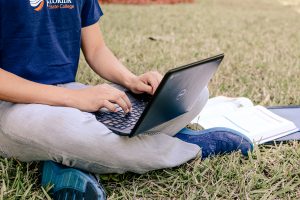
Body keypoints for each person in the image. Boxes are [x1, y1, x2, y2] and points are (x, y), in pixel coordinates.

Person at [0, 0, 253, 199]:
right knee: (71, 132)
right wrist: (74, 98)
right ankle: (189, 148)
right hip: (12, 105)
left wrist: (131, 80)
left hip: (71, 93)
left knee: (196, 93)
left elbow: (96, 49)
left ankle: (67, 158)